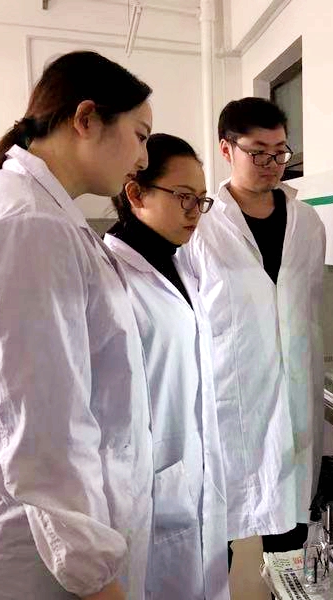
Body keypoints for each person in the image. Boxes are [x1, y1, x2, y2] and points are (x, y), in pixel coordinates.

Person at [0, 51, 154, 600]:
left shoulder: (41, 212)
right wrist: (95, 577)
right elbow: (43, 427)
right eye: (139, 135)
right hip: (43, 557)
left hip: (55, 542)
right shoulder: (31, 223)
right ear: (86, 119)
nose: (143, 157)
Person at [178, 98, 325, 566]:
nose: (272, 163)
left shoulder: (308, 223)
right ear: (227, 149)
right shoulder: (200, 225)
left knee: (289, 533)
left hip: (294, 396)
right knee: (214, 541)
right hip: (228, 401)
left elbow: (309, 307)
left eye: (280, 152)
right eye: (258, 152)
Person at [105, 133, 229, 599]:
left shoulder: (179, 265)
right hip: (147, 487)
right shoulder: (110, 278)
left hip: (191, 476)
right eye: (183, 197)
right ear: (136, 193)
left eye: (202, 200)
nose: (195, 212)